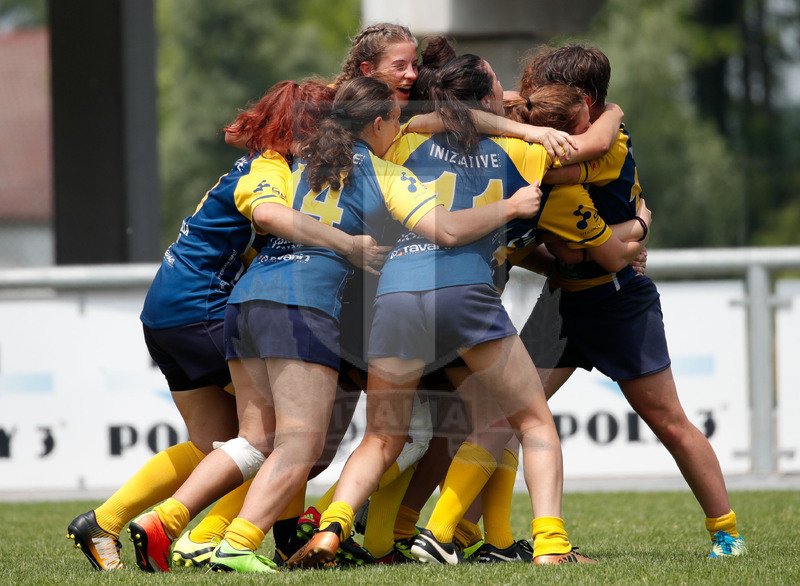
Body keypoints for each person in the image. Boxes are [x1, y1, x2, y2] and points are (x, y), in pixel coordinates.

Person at [123, 76, 543, 574]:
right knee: (300, 445)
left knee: (255, 440)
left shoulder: (290, 160)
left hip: (245, 302)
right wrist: (512, 207)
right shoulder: (387, 173)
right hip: (302, 307)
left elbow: (268, 213)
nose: (399, 131)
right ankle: (236, 543)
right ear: (380, 122)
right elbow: (447, 229)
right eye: (395, 121)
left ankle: (165, 522)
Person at [287, 54, 595, 569]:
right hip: (463, 292)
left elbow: (435, 118)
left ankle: (332, 526)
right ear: (485, 101)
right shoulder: (523, 149)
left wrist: (475, 105)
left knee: (384, 435)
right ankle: (549, 545)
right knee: (531, 419)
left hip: (396, 295)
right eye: (498, 86)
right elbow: (598, 145)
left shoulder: (401, 141)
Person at [65, 79, 386, 572]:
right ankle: (232, 537)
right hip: (203, 308)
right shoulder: (271, 168)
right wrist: (347, 245)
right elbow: (271, 215)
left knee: (212, 441)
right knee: (282, 434)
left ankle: (104, 522)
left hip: (167, 309)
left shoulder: (262, 164)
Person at [517, 43, 746, 558]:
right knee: (503, 413)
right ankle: (464, 535)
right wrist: (637, 225)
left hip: (617, 300)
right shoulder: (570, 133)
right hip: (562, 299)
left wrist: (515, 149)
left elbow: (562, 179)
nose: (543, 111)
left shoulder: (606, 142)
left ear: (588, 104)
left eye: (558, 102)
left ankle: (726, 532)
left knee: (668, 422)